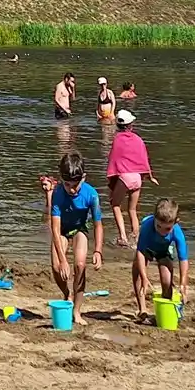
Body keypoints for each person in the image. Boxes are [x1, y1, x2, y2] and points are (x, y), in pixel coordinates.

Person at [47, 149, 103, 310]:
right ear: (61, 180)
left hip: (80, 229)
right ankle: (67, 293)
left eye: (75, 185)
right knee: (57, 267)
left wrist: (98, 250)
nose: (71, 189)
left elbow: (98, 224)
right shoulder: (57, 194)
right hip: (62, 231)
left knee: (79, 265)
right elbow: (55, 229)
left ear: (83, 178)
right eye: (67, 185)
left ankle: (77, 310)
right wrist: (63, 260)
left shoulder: (91, 195)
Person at [130, 197, 189, 324]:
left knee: (167, 280)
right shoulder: (147, 226)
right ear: (154, 219)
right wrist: (145, 277)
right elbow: (140, 252)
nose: (162, 231)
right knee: (137, 272)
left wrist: (183, 284)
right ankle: (142, 309)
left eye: (167, 229)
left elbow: (183, 259)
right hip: (147, 247)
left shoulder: (177, 232)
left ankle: (166, 309)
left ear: (175, 223)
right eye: (159, 226)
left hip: (164, 249)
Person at [105, 110, 157, 246]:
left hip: (125, 178)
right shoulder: (138, 139)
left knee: (115, 205)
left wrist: (111, 181)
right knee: (132, 209)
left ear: (117, 125)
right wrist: (150, 176)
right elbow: (144, 158)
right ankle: (136, 236)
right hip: (137, 178)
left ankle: (123, 237)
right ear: (131, 125)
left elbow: (113, 159)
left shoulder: (117, 140)